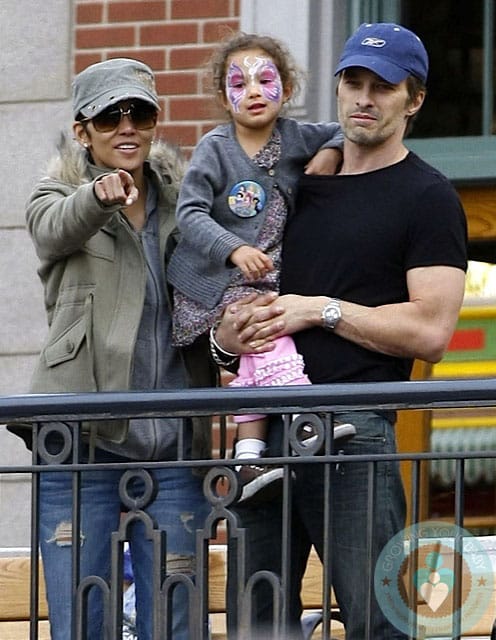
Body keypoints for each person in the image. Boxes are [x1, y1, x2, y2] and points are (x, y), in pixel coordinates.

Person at [212, 23, 468, 639]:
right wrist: (228, 334)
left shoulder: (428, 196)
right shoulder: (298, 185)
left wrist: (319, 309)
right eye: (353, 81)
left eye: (383, 87)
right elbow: (230, 295)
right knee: (255, 627)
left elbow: (433, 330)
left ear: (415, 99)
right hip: (265, 434)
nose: (364, 98)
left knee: (377, 624)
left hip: (355, 432)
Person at [8, 58, 215, 639]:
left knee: (176, 620)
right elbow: (53, 228)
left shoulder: (184, 200)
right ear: (83, 130)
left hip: (174, 441)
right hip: (83, 441)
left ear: (154, 122)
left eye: (140, 114)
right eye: (109, 117)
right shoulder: (58, 194)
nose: (127, 127)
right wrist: (98, 195)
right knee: (84, 620)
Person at [167, 32, 353, 504]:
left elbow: (340, 131)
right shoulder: (215, 149)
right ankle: (307, 424)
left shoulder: (294, 137)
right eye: (238, 83)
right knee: (268, 331)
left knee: (254, 351)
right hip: (212, 280)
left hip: (261, 278)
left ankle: (249, 455)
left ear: (286, 89)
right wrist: (233, 249)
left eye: (265, 79)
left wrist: (328, 156)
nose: (252, 91)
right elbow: (189, 214)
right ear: (223, 96)